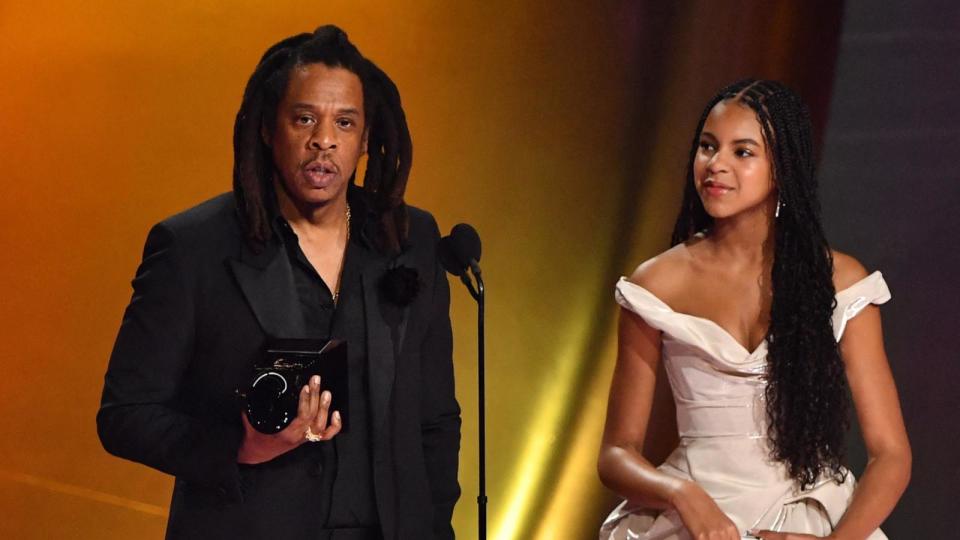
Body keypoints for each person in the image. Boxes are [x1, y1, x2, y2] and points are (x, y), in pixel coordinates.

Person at [97, 25, 460, 540]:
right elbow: (124, 415)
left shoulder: (409, 239)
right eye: (305, 118)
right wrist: (239, 446)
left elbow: (435, 419)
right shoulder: (194, 247)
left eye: (345, 122)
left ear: (364, 140)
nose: (324, 139)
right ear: (269, 128)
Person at [597, 80, 911, 540]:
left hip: (811, 518)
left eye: (742, 152)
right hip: (692, 521)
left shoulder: (840, 281)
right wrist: (683, 494)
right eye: (707, 147)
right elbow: (616, 453)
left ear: (781, 168)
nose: (715, 165)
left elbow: (891, 454)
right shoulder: (656, 284)